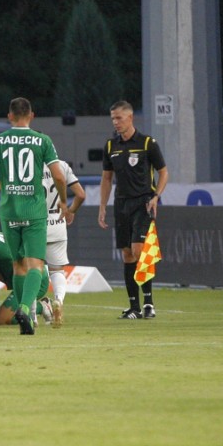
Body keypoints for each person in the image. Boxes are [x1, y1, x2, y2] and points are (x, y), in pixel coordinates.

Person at [0, 96, 72, 335]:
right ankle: (24, 308)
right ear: (31, 115)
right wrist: (63, 200)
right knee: (36, 265)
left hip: (9, 211)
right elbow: (59, 177)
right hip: (34, 211)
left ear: (9, 116)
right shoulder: (42, 140)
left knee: (18, 265)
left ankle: (29, 317)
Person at [98, 100, 169, 320]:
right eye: (113, 119)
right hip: (121, 204)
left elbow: (163, 172)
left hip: (143, 202)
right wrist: (102, 206)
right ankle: (134, 307)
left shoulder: (148, 143)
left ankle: (148, 303)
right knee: (127, 255)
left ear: (130, 118)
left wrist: (156, 196)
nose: (115, 122)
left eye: (119, 118)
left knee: (139, 251)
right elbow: (107, 179)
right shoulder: (111, 146)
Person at [42, 161, 85, 327]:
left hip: (35, 223)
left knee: (29, 268)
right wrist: (70, 210)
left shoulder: (28, 165)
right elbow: (80, 194)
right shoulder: (62, 165)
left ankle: (32, 313)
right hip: (57, 222)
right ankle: (58, 300)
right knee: (57, 270)